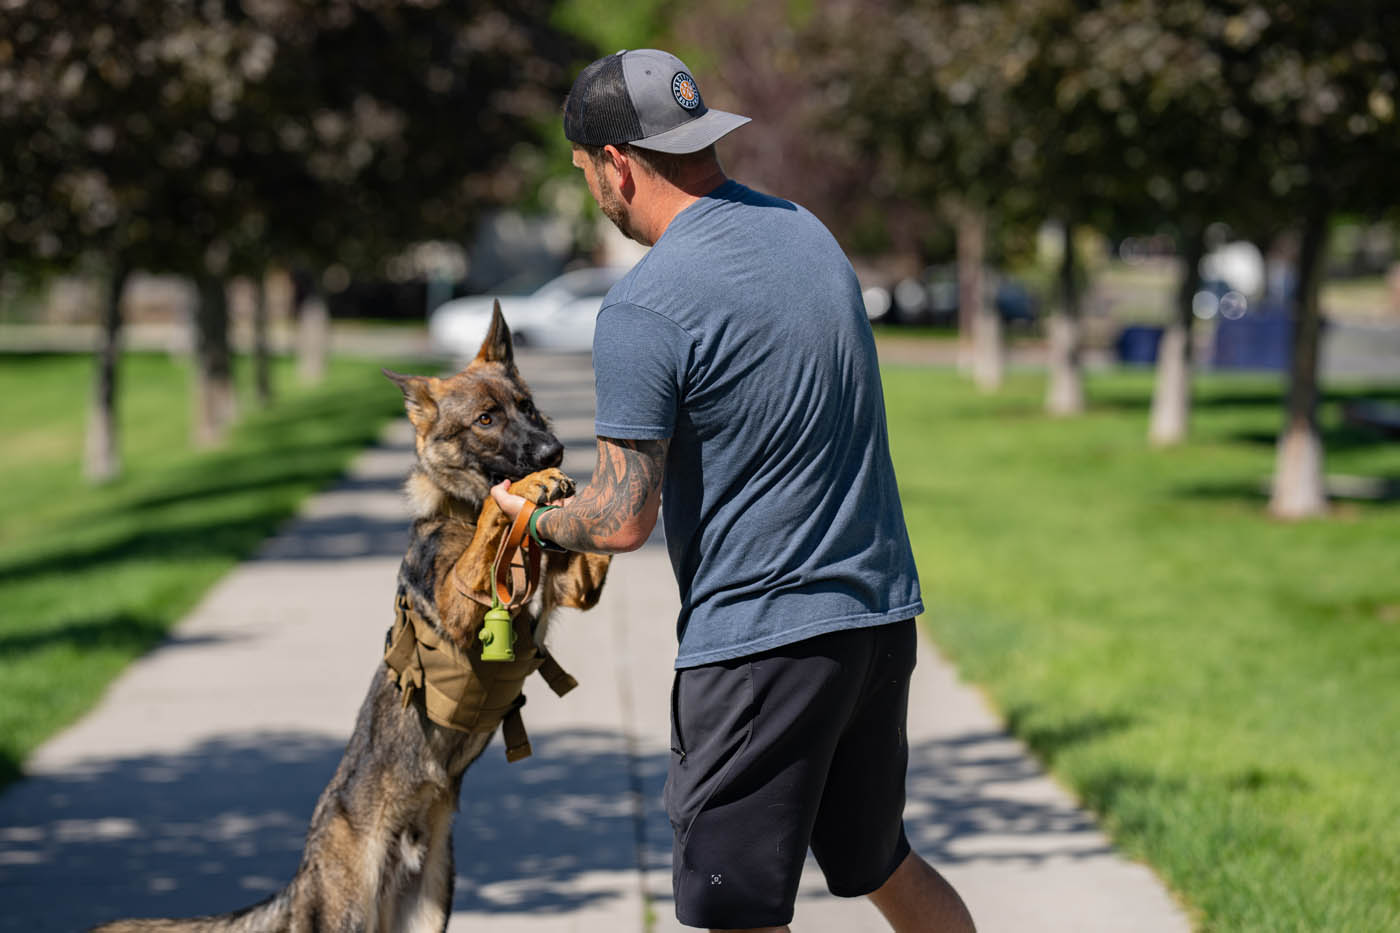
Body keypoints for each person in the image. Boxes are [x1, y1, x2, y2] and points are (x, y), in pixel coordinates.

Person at [490, 48, 976, 933]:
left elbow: (620, 516)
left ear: (619, 164)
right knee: (881, 860)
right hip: (874, 620)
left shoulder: (647, 305)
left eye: (586, 170)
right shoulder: (803, 230)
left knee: (736, 911)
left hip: (761, 648)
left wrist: (531, 518)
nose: (593, 190)